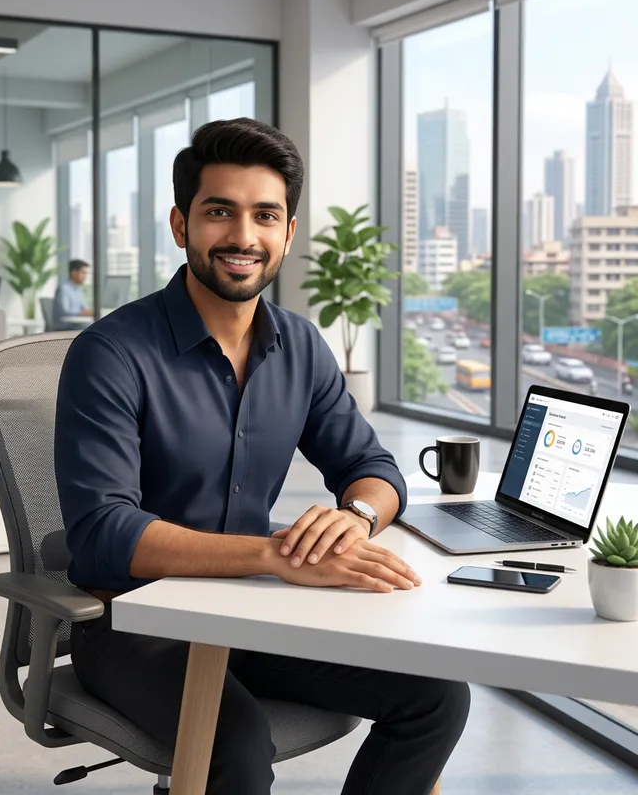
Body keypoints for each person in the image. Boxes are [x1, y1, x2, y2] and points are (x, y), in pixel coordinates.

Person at [55, 118, 470, 795]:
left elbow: (375, 469)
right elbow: (102, 534)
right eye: (219, 212)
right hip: (134, 625)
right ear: (181, 224)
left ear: (288, 233)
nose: (243, 236)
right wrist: (272, 556)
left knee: (437, 696)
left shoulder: (300, 347)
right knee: (239, 745)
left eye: (264, 216)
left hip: (252, 614)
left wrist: (356, 518)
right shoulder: (111, 353)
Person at [53, 259, 93, 330]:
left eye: (86, 273)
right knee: (91, 329)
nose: (85, 276)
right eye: (83, 273)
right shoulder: (64, 289)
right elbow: (64, 312)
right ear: (73, 272)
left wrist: (89, 312)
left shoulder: (77, 290)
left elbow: (83, 308)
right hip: (65, 326)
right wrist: (81, 313)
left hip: (76, 324)